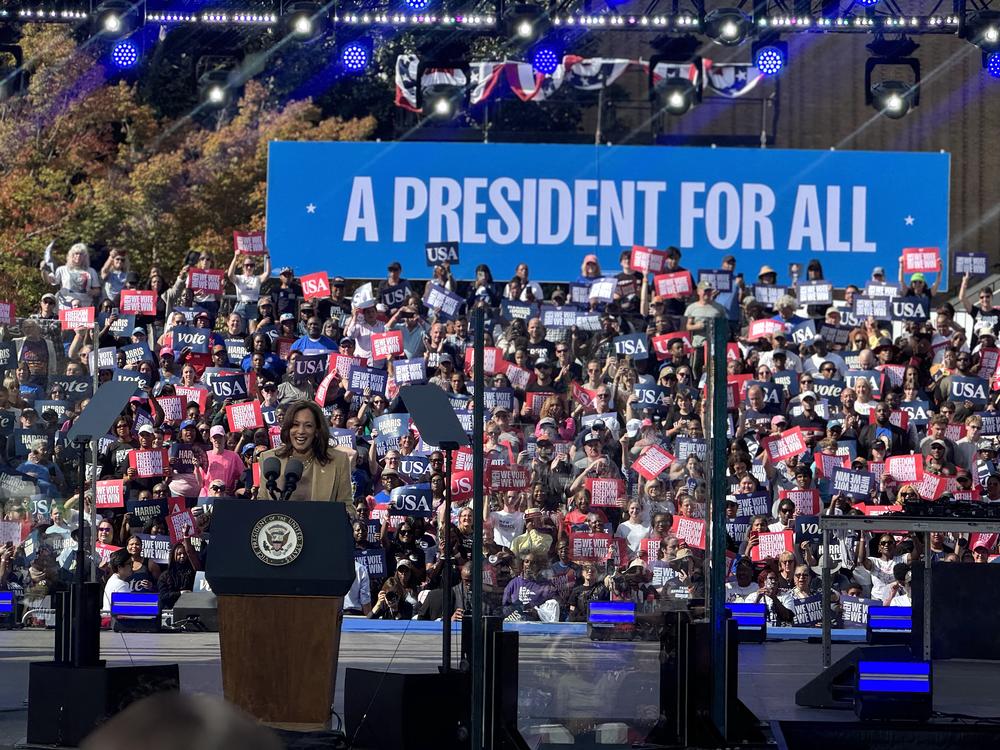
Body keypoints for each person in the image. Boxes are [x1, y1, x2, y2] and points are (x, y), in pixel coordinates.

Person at [257, 400, 354, 508]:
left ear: (317, 431)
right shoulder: (269, 458)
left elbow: (347, 507)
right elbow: (262, 505)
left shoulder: (338, 460)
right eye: (295, 425)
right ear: (288, 428)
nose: (301, 431)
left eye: (308, 425)